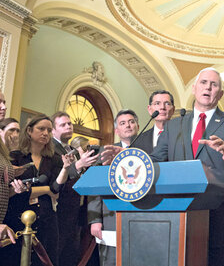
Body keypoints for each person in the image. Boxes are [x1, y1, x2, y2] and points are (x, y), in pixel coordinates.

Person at [149, 68, 224, 266]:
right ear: (194, 88)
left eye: (214, 84)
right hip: (181, 220)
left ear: (220, 94)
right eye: (204, 82)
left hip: (223, 220)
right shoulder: (174, 126)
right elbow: (156, 160)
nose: (208, 87)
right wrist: (129, 159)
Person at [4, 115, 73, 265]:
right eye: (41, 129)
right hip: (19, 216)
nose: (45, 133)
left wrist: (66, 168)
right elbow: (11, 189)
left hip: (46, 218)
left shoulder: (54, 158)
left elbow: (55, 188)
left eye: (49, 130)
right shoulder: (16, 156)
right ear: (29, 130)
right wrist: (45, 189)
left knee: (46, 259)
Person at [88, 109, 140, 266]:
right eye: (123, 123)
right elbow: (95, 187)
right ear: (117, 131)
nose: (128, 126)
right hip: (111, 214)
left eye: (131, 122)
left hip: (141, 214)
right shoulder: (105, 152)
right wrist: (95, 219)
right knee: (111, 260)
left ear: (137, 126)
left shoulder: (150, 151)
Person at [51, 111, 98, 266]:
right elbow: (56, 178)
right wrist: (78, 165)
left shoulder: (72, 149)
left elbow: (78, 176)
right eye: (63, 124)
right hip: (59, 210)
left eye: (69, 124)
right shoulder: (50, 149)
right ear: (53, 130)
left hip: (75, 210)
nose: (68, 126)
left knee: (72, 255)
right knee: (57, 254)